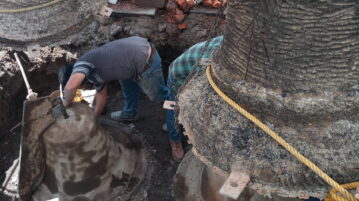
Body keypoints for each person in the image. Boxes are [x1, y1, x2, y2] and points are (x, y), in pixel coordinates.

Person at [58, 36, 168, 119]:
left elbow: (70, 88)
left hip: (145, 61)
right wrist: (94, 118)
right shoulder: (92, 72)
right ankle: (129, 114)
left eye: (78, 86)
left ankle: (176, 118)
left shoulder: (82, 66)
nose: (80, 88)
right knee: (128, 88)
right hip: (129, 58)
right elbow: (101, 94)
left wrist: (66, 103)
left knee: (159, 95)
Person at [166, 35, 224, 161]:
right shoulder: (210, 60)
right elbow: (201, 89)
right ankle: (175, 140)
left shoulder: (233, 45)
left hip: (193, 71)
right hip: (179, 76)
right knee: (175, 110)